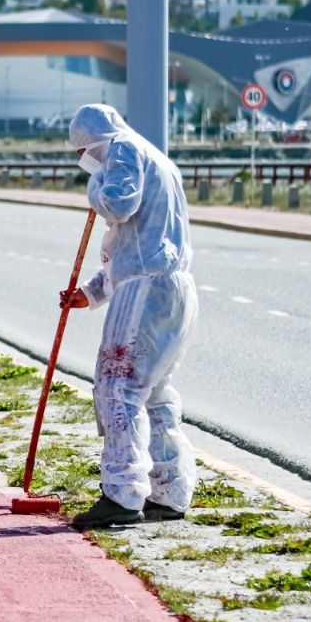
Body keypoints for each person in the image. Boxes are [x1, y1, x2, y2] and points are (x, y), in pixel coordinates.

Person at [61, 104, 198, 529]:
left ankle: (121, 493)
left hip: (145, 289)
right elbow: (135, 244)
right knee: (153, 392)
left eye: (88, 155)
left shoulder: (121, 151)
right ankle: (169, 490)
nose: (90, 164)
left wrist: (95, 185)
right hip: (172, 288)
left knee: (117, 386)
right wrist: (92, 292)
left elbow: (118, 206)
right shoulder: (157, 159)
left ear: (92, 143)